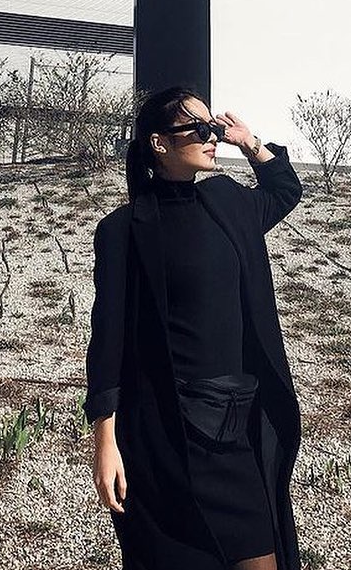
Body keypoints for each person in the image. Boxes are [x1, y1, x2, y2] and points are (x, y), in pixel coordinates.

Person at [84, 86, 304, 570]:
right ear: (159, 143)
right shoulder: (123, 230)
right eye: (200, 129)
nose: (212, 137)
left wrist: (249, 143)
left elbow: (285, 190)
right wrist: (105, 441)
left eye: (213, 127)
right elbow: (107, 340)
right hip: (165, 434)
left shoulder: (226, 202)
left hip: (236, 427)